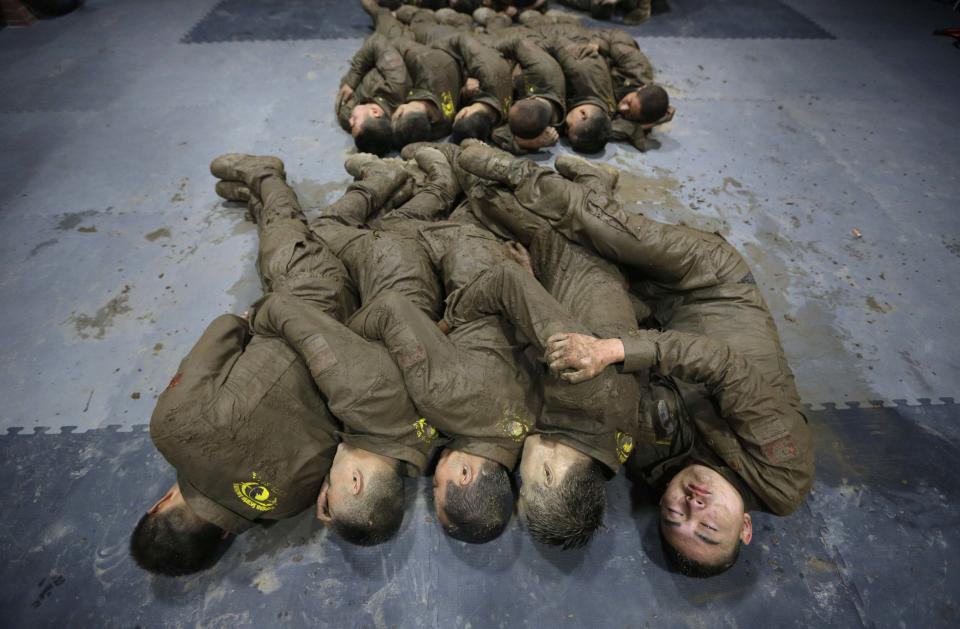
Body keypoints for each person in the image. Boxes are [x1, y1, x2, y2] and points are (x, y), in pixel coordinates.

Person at [456, 144, 815, 575]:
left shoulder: (651, 463)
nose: (692, 507)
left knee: (551, 242)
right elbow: (722, 366)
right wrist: (611, 350)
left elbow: (609, 371)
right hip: (707, 282)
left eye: (675, 518)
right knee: (600, 227)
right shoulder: (783, 473)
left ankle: (594, 186)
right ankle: (513, 168)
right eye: (708, 529)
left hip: (648, 313)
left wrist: (541, 284)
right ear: (745, 529)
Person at [130, 155, 430, 576]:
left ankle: (258, 201)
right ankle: (265, 175)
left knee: (307, 238)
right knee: (286, 235)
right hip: (311, 294)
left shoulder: (287, 505)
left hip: (365, 334)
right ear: (158, 505)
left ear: (223, 538)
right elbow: (226, 329)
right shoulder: (171, 429)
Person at [327, 145, 543, 543]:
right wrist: (346, 335)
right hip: (471, 267)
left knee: (405, 238)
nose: (431, 484)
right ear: (465, 475)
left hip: (488, 273)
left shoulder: (532, 422)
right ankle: (432, 179)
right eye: (438, 490)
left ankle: (423, 182)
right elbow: (392, 316)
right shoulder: (448, 404)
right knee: (376, 232)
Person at [336, 33, 411, 155]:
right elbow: (377, 41)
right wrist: (352, 79)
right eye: (354, 121)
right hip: (396, 37)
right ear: (375, 112)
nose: (350, 122)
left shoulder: (365, 113)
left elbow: (343, 106)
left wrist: (350, 82)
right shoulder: (396, 85)